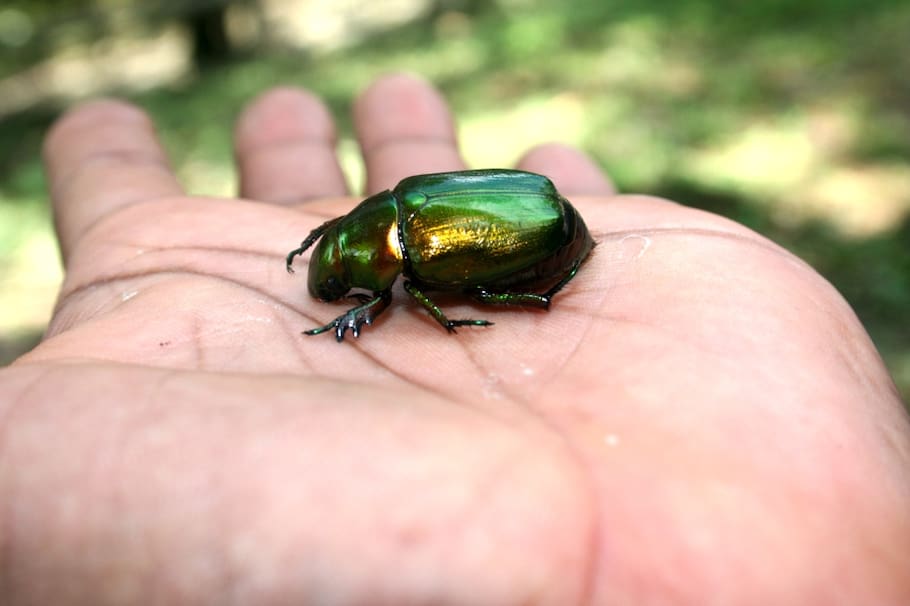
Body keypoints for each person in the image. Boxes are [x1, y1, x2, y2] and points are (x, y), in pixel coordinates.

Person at [1, 73, 908, 604]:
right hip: (524, 210)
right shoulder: (388, 223)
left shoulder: (414, 257)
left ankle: (530, 300)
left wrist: (404, 309)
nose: (339, 273)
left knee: (445, 287)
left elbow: (417, 294)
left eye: (344, 271)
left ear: (365, 242)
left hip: (542, 237)